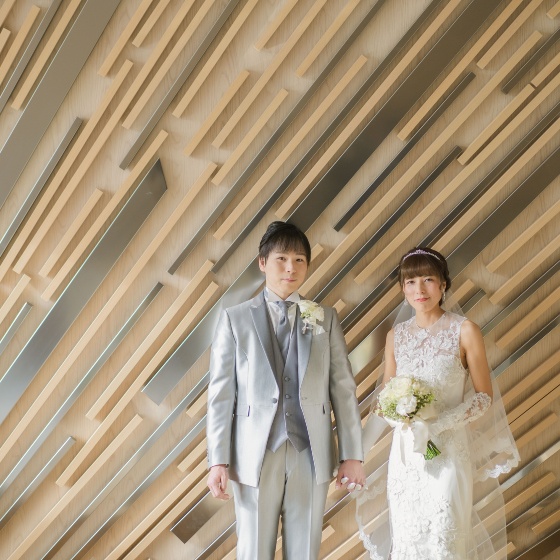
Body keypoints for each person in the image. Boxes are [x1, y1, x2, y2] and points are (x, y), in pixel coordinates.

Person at [206, 221, 365, 560]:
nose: (291, 268)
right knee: (253, 551)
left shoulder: (324, 318)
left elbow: (343, 389)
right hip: (253, 452)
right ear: (262, 263)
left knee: (305, 550)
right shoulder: (234, 319)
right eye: (281, 259)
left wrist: (352, 455)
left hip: (310, 451)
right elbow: (220, 396)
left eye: (299, 260)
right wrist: (217, 460)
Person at [356, 247, 519, 560]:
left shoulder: (465, 330)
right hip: (405, 456)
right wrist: (399, 419)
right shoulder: (396, 336)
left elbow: (483, 397)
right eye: (411, 282)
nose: (420, 289)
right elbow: (386, 396)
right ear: (403, 289)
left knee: (445, 540)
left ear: (443, 284)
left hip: (448, 452)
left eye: (428, 280)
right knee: (408, 542)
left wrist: (437, 426)